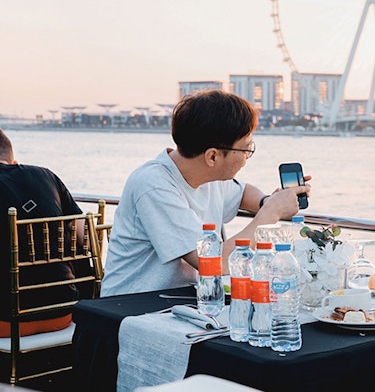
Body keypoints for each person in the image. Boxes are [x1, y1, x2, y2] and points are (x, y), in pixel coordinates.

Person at [101, 90, 311, 297]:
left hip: (184, 300)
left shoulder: (209, 175)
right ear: (212, 157)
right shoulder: (153, 185)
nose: (248, 157)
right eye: (247, 150)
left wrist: (268, 201)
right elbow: (213, 263)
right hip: (132, 307)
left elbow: (242, 192)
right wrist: (271, 214)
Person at [0, 129, 87, 337]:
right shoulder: (47, 175)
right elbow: (85, 236)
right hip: (64, 312)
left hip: (7, 323)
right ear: (13, 159)